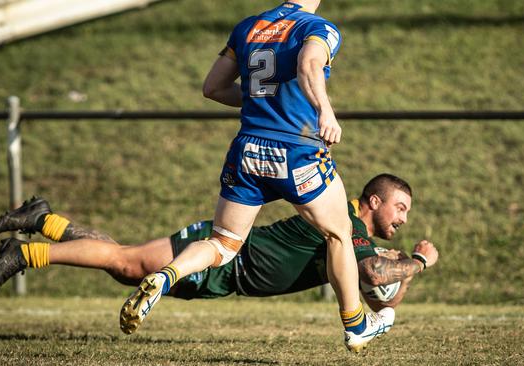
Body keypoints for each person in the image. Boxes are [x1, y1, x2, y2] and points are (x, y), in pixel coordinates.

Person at [121, 0, 376, 352]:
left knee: (223, 246)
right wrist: (325, 111)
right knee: (339, 233)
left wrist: (261, 102)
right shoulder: (319, 28)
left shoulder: (247, 27)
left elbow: (212, 88)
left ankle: (168, 275)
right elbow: (308, 64)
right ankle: (356, 325)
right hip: (296, 150)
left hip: (248, 150)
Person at [0, 174, 438, 326]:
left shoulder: (355, 234)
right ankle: (24, 253)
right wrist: (417, 262)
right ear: (374, 201)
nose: (403, 218)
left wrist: (404, 269)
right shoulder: (346, 218)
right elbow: (377, 278)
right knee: (126, 262)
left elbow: (384, 295)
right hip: (220, 256)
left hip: (227, 276)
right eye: (400, 207)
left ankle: (43, 219)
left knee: (124, 264)